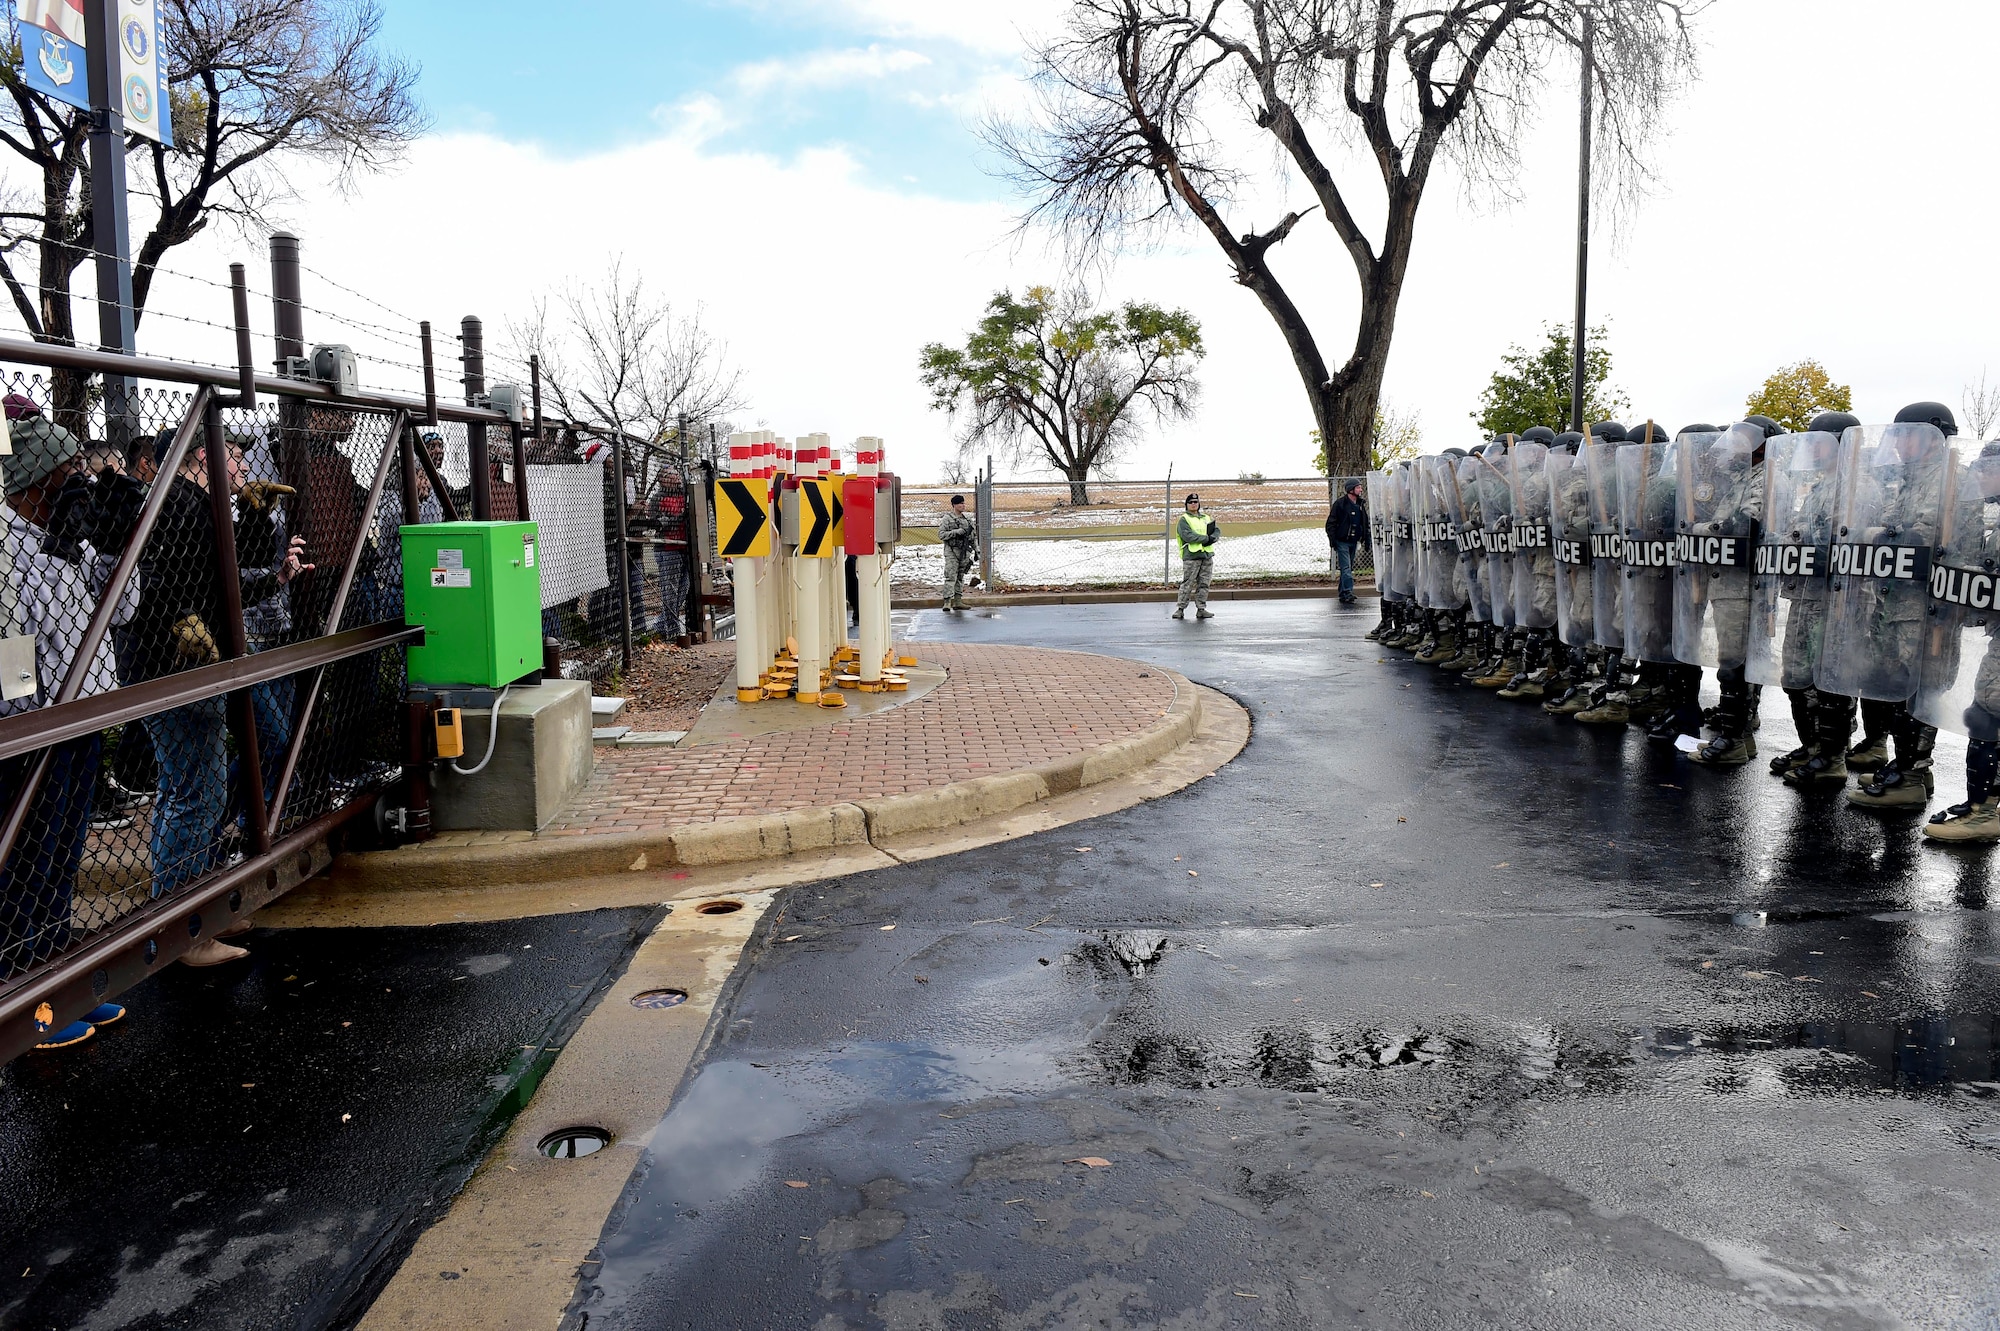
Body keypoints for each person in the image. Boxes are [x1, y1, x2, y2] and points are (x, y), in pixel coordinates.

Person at [131, 426, 309, 962]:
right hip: (181, 668)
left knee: (183, 786)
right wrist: (178, 621)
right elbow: (169, 583)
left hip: (180, 666)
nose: (241, 463)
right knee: (195, 792)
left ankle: (189, 912)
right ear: (206, 455)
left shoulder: (193, 503)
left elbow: (224, 575)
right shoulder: (182, 507)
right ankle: (184, 929)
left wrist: (255, 523)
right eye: (234, 453)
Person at [0, 413, 142, 1048]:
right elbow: (11, 656)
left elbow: (127, 606)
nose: (75, 486)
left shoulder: (67, 537)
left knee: (64, 852)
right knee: (28, 861)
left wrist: (114, 541)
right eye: (65, 476)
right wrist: (30, 722)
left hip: (83, 716)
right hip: (32, 732)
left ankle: (60, 980)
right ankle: (25, 1003)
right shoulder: (6, 544)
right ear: (33, 483)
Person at [1173, 492, 1219, 620]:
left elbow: (1215, 530)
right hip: (1191, 556)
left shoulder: (1206, 517)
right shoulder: (1184, 520)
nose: (1193, 504)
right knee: (1187, 583)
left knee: (1204, 583)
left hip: (1206, 555)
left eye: (1196, 502)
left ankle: (1201, 609)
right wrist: (1206, 539)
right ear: (1186, 505)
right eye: (1191, 503)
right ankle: (1180, 609)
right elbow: (1188, 536)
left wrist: (1213, 538)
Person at [1327, 479, 1367, 603]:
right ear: (1351, 489)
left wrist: (1366, 539)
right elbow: (1330, 523)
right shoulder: (1340, 504)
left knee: (1348, 568)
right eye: (1358, 487)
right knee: (1346, 568)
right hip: (1342, 541)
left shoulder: (1360, 505)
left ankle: (1343, 593)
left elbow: (1364, 523)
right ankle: (1348, 592)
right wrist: (1333, 540)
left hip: (1354, 541)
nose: (1361, 490)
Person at [938, 493, 977, 611]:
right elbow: (941, 535)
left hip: (964, 551)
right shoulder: (947, 519)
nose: (963, 505)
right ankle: (947, 601)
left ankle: (958, 600)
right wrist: (956, 532)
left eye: (964, 503)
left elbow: (973, 537)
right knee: (950, 576)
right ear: (954, 505)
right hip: (951, 551)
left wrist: (977, 550)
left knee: (960, 576)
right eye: (960, 503)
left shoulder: (967, 520)